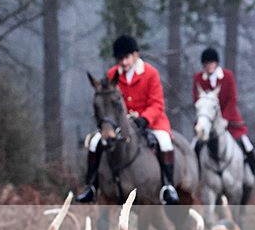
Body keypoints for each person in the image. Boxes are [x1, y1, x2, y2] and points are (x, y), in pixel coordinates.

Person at [76, 35, 179, 204]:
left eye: (126, 58)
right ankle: (91, 187)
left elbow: (157, 103)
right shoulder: (112, 75)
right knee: (95, 142)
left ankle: (168, 187)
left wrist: (144, 119)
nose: (123, 63)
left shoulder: (150, 73)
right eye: (119, 59)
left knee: (165, 141)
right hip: (121, 124)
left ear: (136, 55)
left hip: (150, 121)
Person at [192, 47, 255, 184]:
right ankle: (195, 175)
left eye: (211, 63)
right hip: (208, 122)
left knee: (245, 142)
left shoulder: (227, 76)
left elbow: (232, 99)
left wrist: (225, 118)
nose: (209, 66)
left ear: (216, 63)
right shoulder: (198, 79)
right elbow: (197, 100)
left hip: (229, 119)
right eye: (206, 64)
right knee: (195, 145)